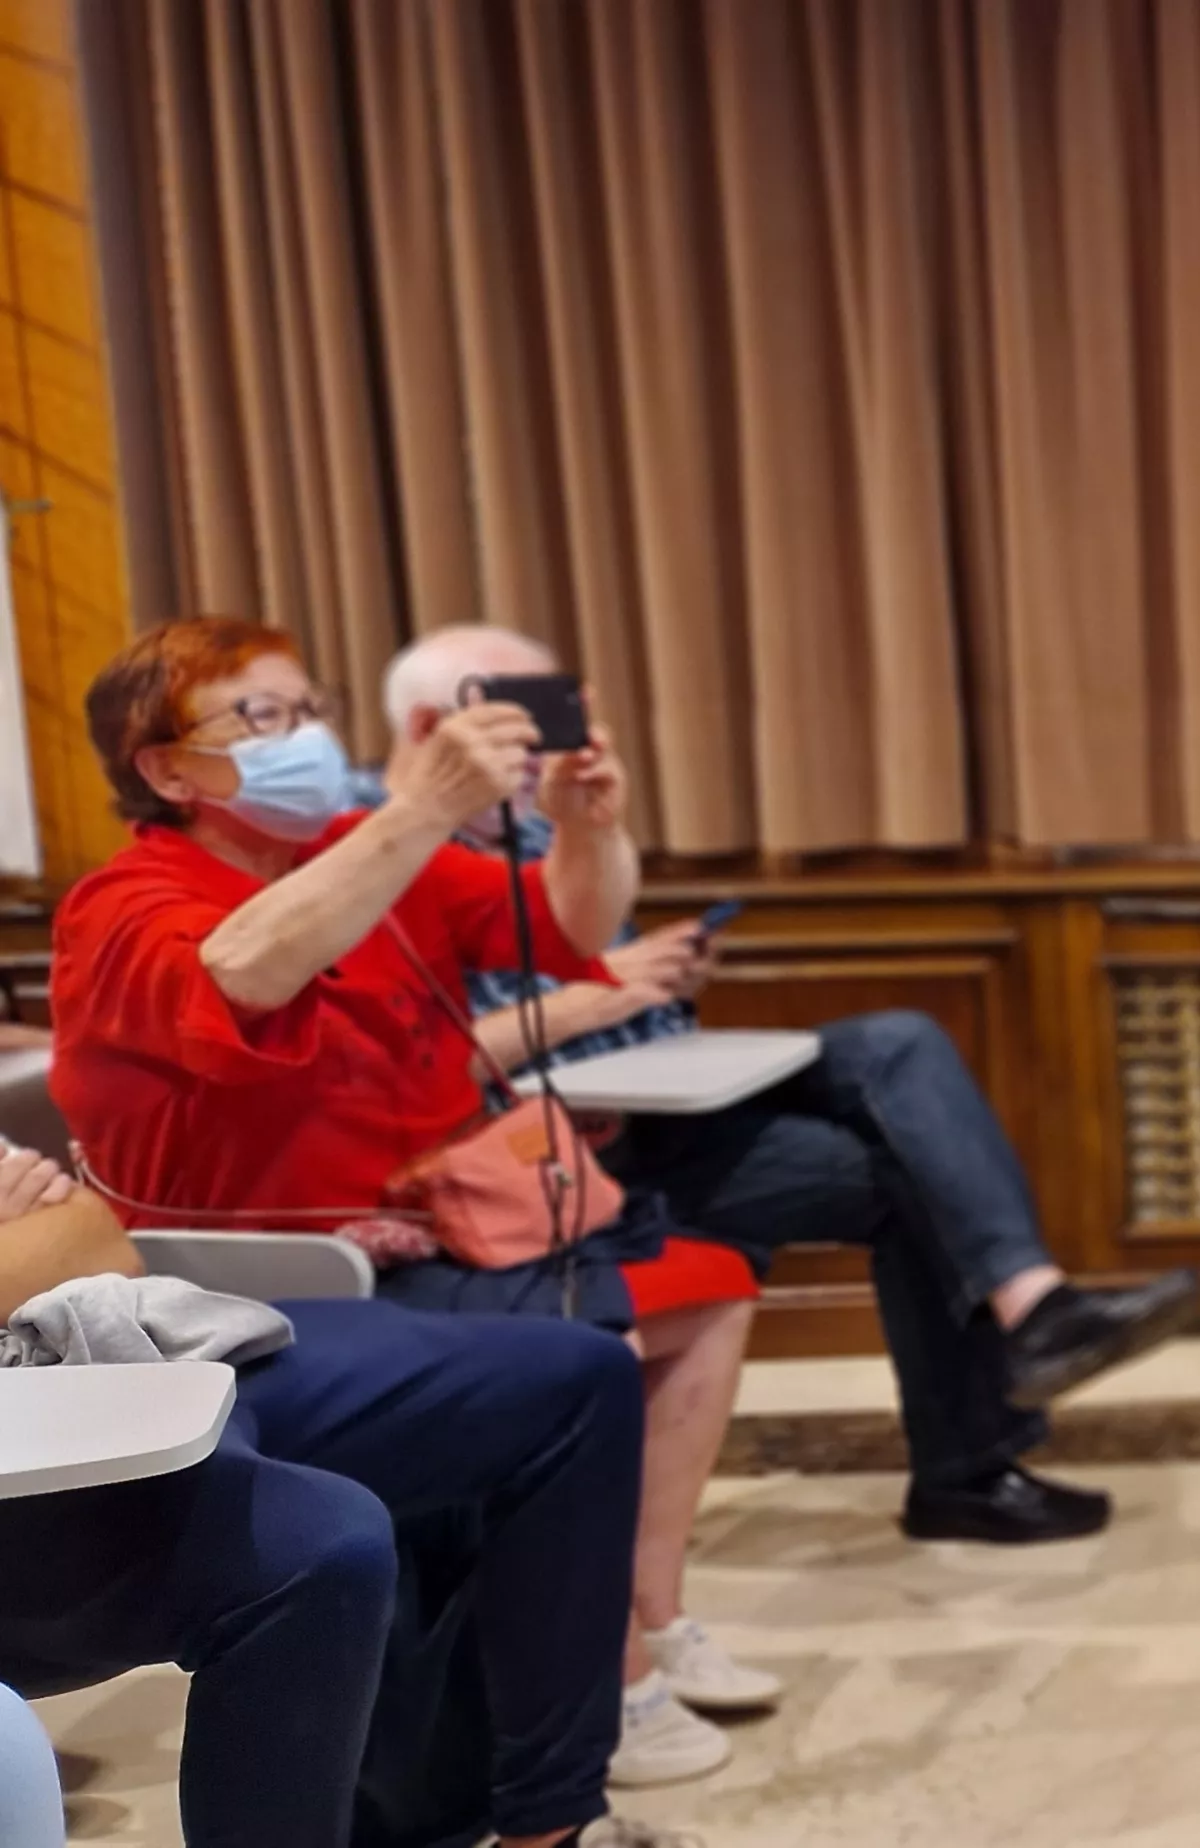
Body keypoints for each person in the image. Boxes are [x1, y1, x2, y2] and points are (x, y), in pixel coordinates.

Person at [50, 616, 763, 1784]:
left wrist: (592, 825)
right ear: (169, 770)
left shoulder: (360, 842)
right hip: (269, 1270)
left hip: (443, 1216)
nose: (302, 737)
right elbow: (243, 968)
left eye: (307, 709)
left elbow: (569, 926)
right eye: (260, 717)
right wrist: (418, 810)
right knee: (590, 1349)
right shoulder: (120, 902)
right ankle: (598, 1691)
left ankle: (645, 1614)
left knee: (711, 1283)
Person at [369, 627, 1200, 1546]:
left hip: (659, 1098)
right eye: (521, 723)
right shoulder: (370, 854)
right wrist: (595, 999)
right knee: (909, 1168)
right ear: (429, 725)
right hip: (543, 1161)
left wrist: (644, 950)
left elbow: (595, 956)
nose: (542, 751)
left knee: (899, 1047)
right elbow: (420, 1061)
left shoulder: (538, 830)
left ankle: (1030, 1312)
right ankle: (979, 1446)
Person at [0, 1145, 687, 1848]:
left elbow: (101, 1238)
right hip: (37, 1437)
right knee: (323, 1548)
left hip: (154, 1342)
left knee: (578, 1378)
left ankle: (552, 1825)